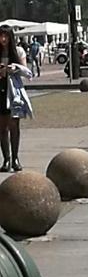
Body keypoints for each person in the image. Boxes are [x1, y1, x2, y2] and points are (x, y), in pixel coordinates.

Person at [0, 25, 32, 172]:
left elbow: (27, 72)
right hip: (0, 89)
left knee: (14, 125)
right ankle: (6, 159)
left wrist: (15, 68)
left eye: (6, 36)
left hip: (13, 92)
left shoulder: (18, 51)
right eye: (1, 36)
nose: (3, 39)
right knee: (2, 127)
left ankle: (15, 158)